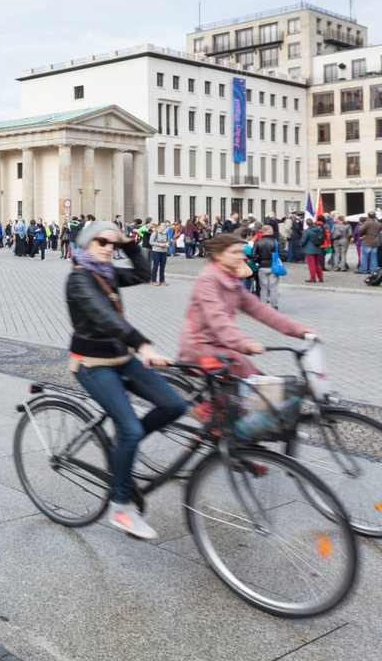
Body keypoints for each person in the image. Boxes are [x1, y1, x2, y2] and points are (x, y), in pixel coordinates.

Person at [66, 220, 184, 540]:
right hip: (93, 365)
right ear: (87, 244)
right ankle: (120, 507)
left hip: (123, 360)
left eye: (111, 244)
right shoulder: (78, 280)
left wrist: (129, 242)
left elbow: (144, 274)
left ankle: (123, 449)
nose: (107, 248)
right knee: (131, 428)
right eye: (100, 242)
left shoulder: (108, 274)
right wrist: (144, 345)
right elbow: (105, 317)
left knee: (175, 404)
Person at [179, 234, 313, 380]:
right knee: (255, 387)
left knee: (255, 385)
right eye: (234, 252)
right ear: (218, 255)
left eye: (241, 252)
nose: (242, 257)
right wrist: (244, 343)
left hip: (219, 345)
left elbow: (261, 310)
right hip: (200, 347)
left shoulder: (231, 279)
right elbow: (217, 318)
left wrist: (301, 330)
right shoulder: (208, 279)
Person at [250, 223, 282, 309]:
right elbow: (282, 254)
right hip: (273, 266)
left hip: (262, 266)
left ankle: (263, 306)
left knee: (263, 287)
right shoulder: (276, 242)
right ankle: (274, 306)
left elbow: (253, 255)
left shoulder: (258, 242)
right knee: (273, 287)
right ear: (271, 231)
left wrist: (258, 261)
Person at [299, 218, 325, 283]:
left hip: (309, 249)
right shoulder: (319, 229)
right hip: (317, 248)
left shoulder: (308, 231)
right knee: (318, 264)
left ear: (307, 224)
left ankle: (313, 278)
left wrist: (301, 246)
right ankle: (321, 278)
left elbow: (303, 241)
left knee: (311, 264)